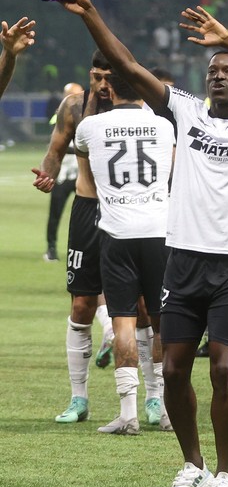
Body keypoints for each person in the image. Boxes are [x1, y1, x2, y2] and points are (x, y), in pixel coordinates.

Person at [59, 0, 228, 487]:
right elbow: (125, 64)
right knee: (172, 371)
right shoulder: (184, 112)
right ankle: (193, 465)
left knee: (226, 371)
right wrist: (89, 12)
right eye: (212, 68)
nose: (217, 73)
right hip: (183, 260)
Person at [73, 70, 175, 434]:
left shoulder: (92, 127)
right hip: (159, 230)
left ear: (109, 89)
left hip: (116, 233)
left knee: (123, 320)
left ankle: (128, 413)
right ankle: (164, 408)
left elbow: (82, 151)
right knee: (164, 322)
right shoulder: (164, 126)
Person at [32, 49, 119, 423]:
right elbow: (55, 149)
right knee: (82, 304)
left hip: (129, 210)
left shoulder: (136, 107)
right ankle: (79, 399)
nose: (101, 83)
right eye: (95, 75)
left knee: (147, 309)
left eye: (107, 77)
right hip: (86, 209)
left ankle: (154, 398)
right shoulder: (74, 105)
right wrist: (48, 173)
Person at [44, 82, 83, 262]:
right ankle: (51, 248)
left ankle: (83, 251)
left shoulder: (88, 112)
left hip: (81, 170)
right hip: (63, 169)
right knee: (56, 211)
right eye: (71, 95)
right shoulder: (60, 113)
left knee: (86, 211)